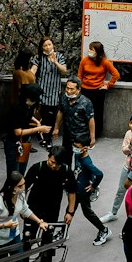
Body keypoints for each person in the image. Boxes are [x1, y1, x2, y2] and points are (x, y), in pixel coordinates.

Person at [53, 79, 111, 245]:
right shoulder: (63, 100)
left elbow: (98, 173)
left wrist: (93, 186)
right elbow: (60, 113)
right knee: (71, 209)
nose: (68, 90)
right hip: (76, 187)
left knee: (86, 211)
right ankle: (63, 231)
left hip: (83, 189)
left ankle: (103, 230)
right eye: (67, 87)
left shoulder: (85, 161)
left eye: (72, 88)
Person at [24, 145, 79, 236]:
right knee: (28, 237)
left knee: (48, 239)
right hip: (33, 208)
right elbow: (24, 188)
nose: (54, 166)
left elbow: (72, 192)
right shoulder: (37, 168)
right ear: (48, 157)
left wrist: (70, 212)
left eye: (57, 164)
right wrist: (23, 208)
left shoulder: (66, 172)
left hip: (52, 209)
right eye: (52, 162)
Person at [3, 83, 50, 177]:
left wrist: (36, 121)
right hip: (14, 143)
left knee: (21, 171)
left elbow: (28, 115)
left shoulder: (28, 106)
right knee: (14, 174)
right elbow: (18, 132)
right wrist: (38, 129)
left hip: (24, 143)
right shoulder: (17, 108)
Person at [77, 40, 119, 140]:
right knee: (84, 112)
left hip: (98, 91)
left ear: (98, 51)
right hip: (85, 90)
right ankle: (84, 132)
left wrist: (108, 85)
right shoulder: (84, 60)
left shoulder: (104, 62)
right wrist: (79, 88)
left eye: (92, 49)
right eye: (89, 49)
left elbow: (116, 74)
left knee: (97, 113)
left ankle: (96, 134)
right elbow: (79, 75)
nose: (89, 51)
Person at [34, 37, 68, 146]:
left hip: (54, 91)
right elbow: (32, 71)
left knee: (52, 115)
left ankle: (48, 138)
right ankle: (43, 137)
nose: (48, 47)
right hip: (42, 90)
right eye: (45, 45)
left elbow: (64, 70)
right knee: (43, 114)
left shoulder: (59, 56)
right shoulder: (38, 57)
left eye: (49, 44)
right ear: (41, 47)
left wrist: (55, 62)